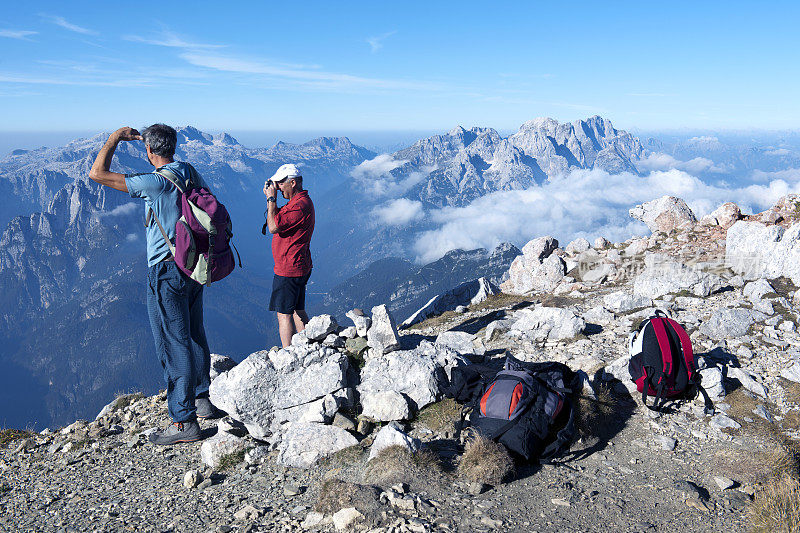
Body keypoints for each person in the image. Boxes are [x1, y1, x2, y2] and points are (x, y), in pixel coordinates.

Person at [88, 124, 220, 446]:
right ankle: (202, 399)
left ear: (149, 151)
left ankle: (184, 420)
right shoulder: (187, 170)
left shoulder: (155, 182)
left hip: (165, 270)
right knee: (195, 333)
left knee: (173, 341)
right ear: (173, 146)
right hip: (193, 264)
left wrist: (115, 138)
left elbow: (97, 174)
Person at [262, 163, 315, 347]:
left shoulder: (299, 206)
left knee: (283, 314)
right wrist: (274, 197)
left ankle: (289, 354)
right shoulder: (299, 203)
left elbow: (273, 226)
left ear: (292, 183)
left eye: (280, 183)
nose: (278, 187)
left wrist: (271, 200)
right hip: (299, 265)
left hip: (289, 269)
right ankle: (310, 344)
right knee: (297, 310)